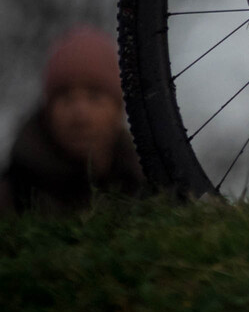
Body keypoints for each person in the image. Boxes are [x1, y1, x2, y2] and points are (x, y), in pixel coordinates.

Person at [4, 26, 145, 215]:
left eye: (94, 96)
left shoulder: (150, 194)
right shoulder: (9, 200)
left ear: (118, 109)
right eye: (66, 97)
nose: (80, 114)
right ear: (48, 110)